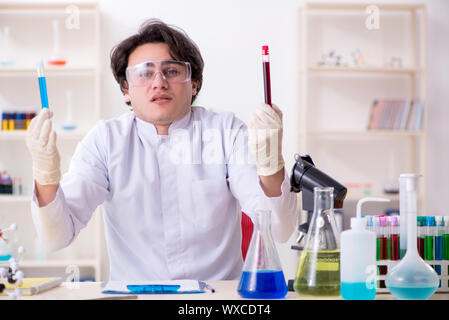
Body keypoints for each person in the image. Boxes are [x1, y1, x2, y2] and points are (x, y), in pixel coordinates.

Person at [26, 19, 297, 281]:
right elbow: (56, 237)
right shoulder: (106, 140)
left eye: (172, 71)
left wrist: (271, 163)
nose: (158, 82)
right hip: (135, 295)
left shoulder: (225, 132)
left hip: (216, 298)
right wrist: (46, 174)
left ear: (194, 84)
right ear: (126, 90)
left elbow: (279, 229)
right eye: (144, 73)